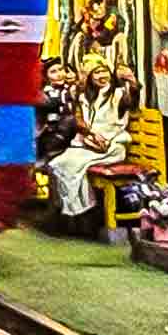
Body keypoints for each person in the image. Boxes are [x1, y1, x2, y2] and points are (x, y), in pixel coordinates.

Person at [45, 59, 140, 224]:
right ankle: (81, 208)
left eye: (104, 71)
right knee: (58, 164)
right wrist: (90, 133)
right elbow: (79, 118)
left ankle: (82, 214)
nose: (102, 76)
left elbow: (130, 101)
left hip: (112, 147)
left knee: (72, 165)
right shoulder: (86, 98)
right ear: (90, 77)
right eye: (97, 72)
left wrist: (133, 82)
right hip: (89, 146)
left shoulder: (117, 94)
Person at [36, 60, 79, 162]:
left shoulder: (72, 89)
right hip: (50, 134)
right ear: (46, 76)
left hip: (72, 134)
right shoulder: (45, 93)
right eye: (53, 72)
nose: (59, 74)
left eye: (61, 70)